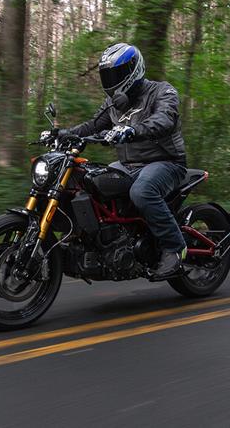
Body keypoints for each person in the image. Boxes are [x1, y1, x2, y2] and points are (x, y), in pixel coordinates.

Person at [59, 42, 188, 280]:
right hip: (128, 166)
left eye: (116, 74)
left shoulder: (162, 91)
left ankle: (174, 248)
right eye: (107, 75)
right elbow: (93, 125)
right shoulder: (113, 103)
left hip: (166, 162)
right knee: (89, 182)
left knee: (142, 192)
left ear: (133, 71)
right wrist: (66, 133)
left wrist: (133, 130)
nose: (111, 80)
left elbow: (164, 119)